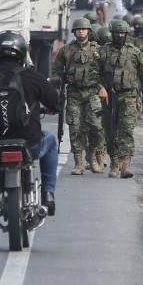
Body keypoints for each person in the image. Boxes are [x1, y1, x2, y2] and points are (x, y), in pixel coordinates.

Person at [0, 31, 60, 220]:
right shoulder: (32, 76)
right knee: (51, 141)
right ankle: (48, 193)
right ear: (22, 53)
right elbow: (55, 103)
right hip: (30, 144)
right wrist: (50, 109)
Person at [100, 19, 143, 178]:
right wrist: (101, 87)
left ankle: (126, 164)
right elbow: (93, 73)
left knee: (126, 129)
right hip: (109, 98)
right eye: (117, 33)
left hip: (129, 96)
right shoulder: (103, 52)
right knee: (111, 131)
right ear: (112, 34)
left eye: (122, 33)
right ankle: (114, 163)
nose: (119, 35)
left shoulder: (135, 53)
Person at [52, 18, 107, 175]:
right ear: (74, 32)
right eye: (78, 29)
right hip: (74, 93)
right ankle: (78, 163)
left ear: (89, 31)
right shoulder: (66, 50)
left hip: (93, 93)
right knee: (75, 128)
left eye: (84, 29)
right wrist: (57, 88)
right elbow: (56, 70)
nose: (81, 31)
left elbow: (105, 72)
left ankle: (92, 154)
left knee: (97, 127)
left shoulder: (98, 50)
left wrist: (103, 88)